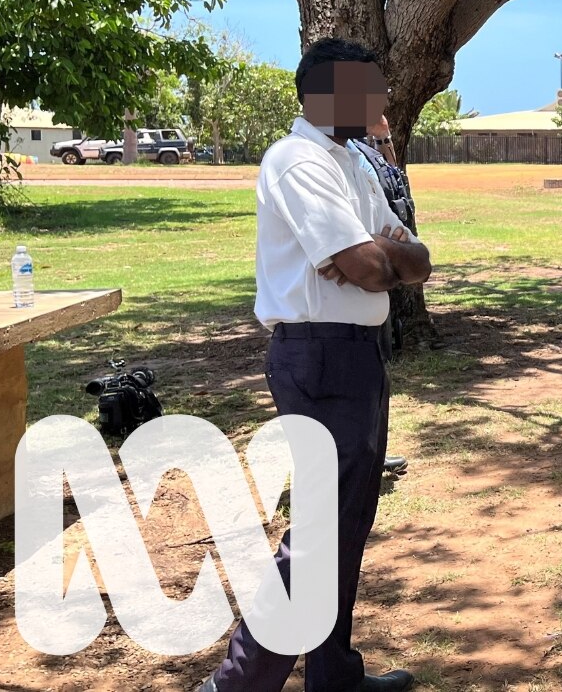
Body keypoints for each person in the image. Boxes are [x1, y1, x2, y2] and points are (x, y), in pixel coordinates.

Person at [199, 38, 430, 692]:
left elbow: (416, 258)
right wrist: (378, 260)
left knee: (347, 525)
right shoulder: (298, 160)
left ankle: (335, 676)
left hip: (354, 354)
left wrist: (384, 260)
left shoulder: (349, 163)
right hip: (319, 355)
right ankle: (236, 687)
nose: (382, 101)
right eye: (371, 90)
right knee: (322, 534)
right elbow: (368, 263)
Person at [348, 116, 416, 477]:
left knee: (378, 371)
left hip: (382, 274)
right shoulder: (336, 156)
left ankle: (375, 452)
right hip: (349, 286)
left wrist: (384, 136)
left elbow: (394, 174)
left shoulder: (366, 155)